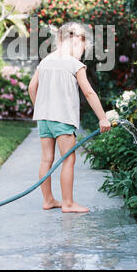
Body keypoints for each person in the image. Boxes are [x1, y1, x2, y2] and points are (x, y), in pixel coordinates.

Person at [28, 22, 111, 213]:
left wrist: (40, 108)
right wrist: (103, 118)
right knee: (68, 159)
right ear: (76, 42)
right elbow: (89, 93)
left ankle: (48, 200)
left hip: (44, 119)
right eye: (83, 47)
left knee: (46, 159)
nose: (82, 52)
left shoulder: (45, 61)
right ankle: (67, 203)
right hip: (63, 119)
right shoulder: (75, 64)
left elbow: (32, 88)